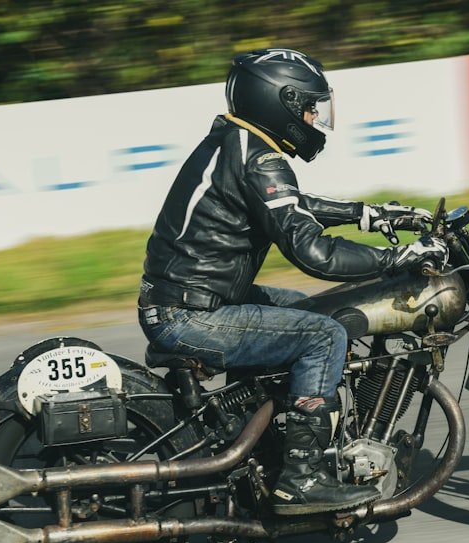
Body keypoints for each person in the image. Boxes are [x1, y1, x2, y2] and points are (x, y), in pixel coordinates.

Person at [138, 48, 447, 515]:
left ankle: (257, 439)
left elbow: (288, 204)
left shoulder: (237, 142)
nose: (314, 118)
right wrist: (396, 257)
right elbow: (313, 251)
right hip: (191, 314)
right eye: (308, 107)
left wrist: (366, 214)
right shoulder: (260, 159)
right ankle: (302, 477)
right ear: (278, 103)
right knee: (324, 335)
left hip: (184, 300)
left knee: (303, 309)